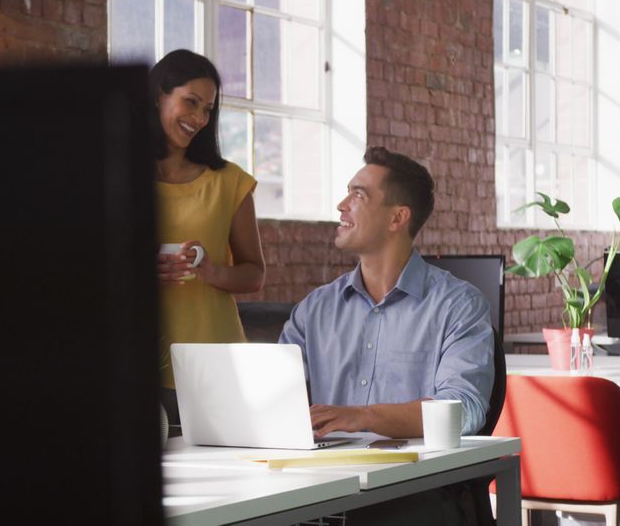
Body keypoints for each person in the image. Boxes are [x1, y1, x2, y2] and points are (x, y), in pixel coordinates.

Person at [279, 146, 493, 524]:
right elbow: (274, 400)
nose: (341, 205)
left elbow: (465, 411)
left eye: (358, 195)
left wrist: (363, 416)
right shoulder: (315, 309)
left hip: (413, 491)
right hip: (318, 486)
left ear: (397, 218)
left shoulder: (458, 305)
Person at [151, 50, 265, 422]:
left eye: (208, 110)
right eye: (191, 102)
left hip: (217, 362)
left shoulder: (229, 181)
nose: (199, 118)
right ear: (158, 96)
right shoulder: (112, 173)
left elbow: (254, 273)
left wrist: (213, 271)